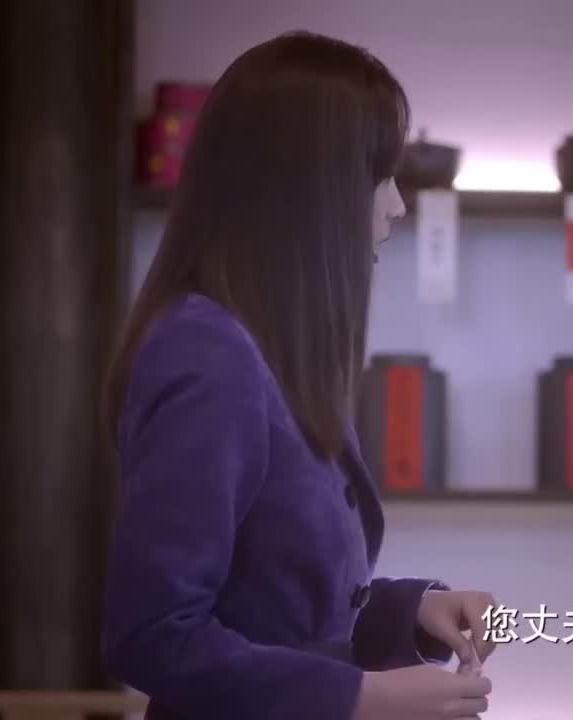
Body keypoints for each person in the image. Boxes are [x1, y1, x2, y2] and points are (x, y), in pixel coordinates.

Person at [101, 33, 495, 720]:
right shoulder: (207, 351)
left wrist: (411, 611)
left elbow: (281, 614)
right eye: (379, 176)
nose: (398, 206)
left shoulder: (273, 349)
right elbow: (153, 635)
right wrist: (361, 697)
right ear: (309, 187)